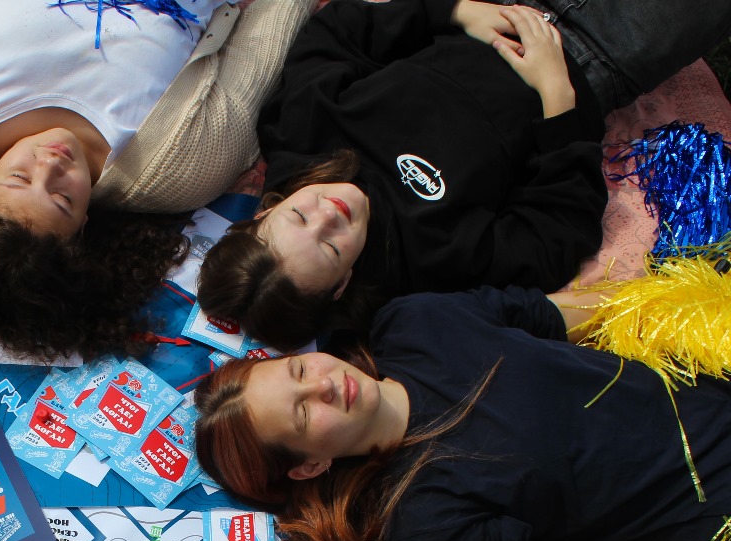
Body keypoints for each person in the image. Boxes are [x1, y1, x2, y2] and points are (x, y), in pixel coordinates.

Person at [193, 285, 731, 541]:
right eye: (303, 413)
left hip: (712, 379)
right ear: (310, 465)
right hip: (713, 510)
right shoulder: (421, 518)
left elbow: (572, 313)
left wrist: (695, 302)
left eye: (299, 371)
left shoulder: (413, 321)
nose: (324, 385)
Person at [195, 0, 731, 349]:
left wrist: (453, 12)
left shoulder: (297, 137)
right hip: (597, 59)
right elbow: (557, 233)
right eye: (332, 248)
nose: (329, 213)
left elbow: (339, 34)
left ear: (266, 210)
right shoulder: (431, 265)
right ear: (341, 287)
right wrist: (558, 100)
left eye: (297, 215)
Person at [0, 0, 311, 357]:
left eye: (19, 177)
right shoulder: (182, 168)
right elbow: (262, 44)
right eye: (62, 199)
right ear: (83, 228)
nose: (51, 165)